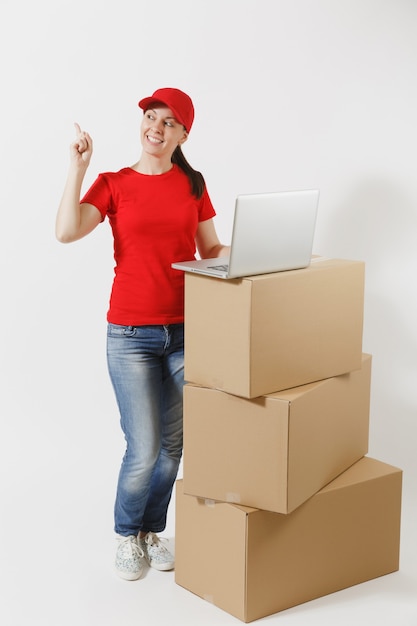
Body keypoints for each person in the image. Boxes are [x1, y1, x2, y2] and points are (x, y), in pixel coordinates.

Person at [56, 87, 229, 581]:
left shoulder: (193, 184)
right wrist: (78, 168)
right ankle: (126, 534)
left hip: (184, 331)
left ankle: (152, 532)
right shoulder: (115, 183)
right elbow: (66, 231)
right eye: (151, 116)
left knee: (174, 446)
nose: (156, 126)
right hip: (130, 335)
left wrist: (251, 252)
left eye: (169, 121)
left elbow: (211, 246)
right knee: (145, 446)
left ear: (183, 134)